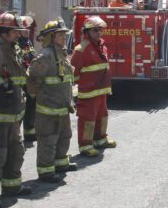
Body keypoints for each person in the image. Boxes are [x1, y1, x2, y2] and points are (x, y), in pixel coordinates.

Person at [0, 12, 32, 208]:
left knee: (15, 151)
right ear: (3, 33)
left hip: (14, 112)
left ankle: (12, 186)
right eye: (14, 32)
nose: (18, 35)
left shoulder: (13, 48)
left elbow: (19, 78)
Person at [27, 19, 77, 183]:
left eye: (64, 34)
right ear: (50, 37)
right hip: (48, 109)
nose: (64, 37)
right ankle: (46, 172)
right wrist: (39, 97)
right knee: (48, 139)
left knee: (64, 136)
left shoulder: (61, 53)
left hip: (62, 107)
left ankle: (61, 163)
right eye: (60, 35)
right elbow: (32, 79)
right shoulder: (46, 56)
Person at [71, 15, 116, 157]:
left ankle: (100, 139)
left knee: (102, 115)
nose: (98, 32)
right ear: (87, 32)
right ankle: (85, 145)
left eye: (100, 30)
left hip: (101, 90)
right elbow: (74, 72)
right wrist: (82, 86)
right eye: (95, 30)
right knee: (88, 118)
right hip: (89, 92)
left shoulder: (102, 47)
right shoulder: (81, 49)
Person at [18, 15, 38, 142]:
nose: (27, 31)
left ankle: (30, 133)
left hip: (29, 81)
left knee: (31, 107)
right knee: (20, 108)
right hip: (20, 82)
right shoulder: (16, 43)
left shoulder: (28, 42)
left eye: (28, 29)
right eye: (24, 29)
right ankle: (16, 135)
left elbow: (31, 57)